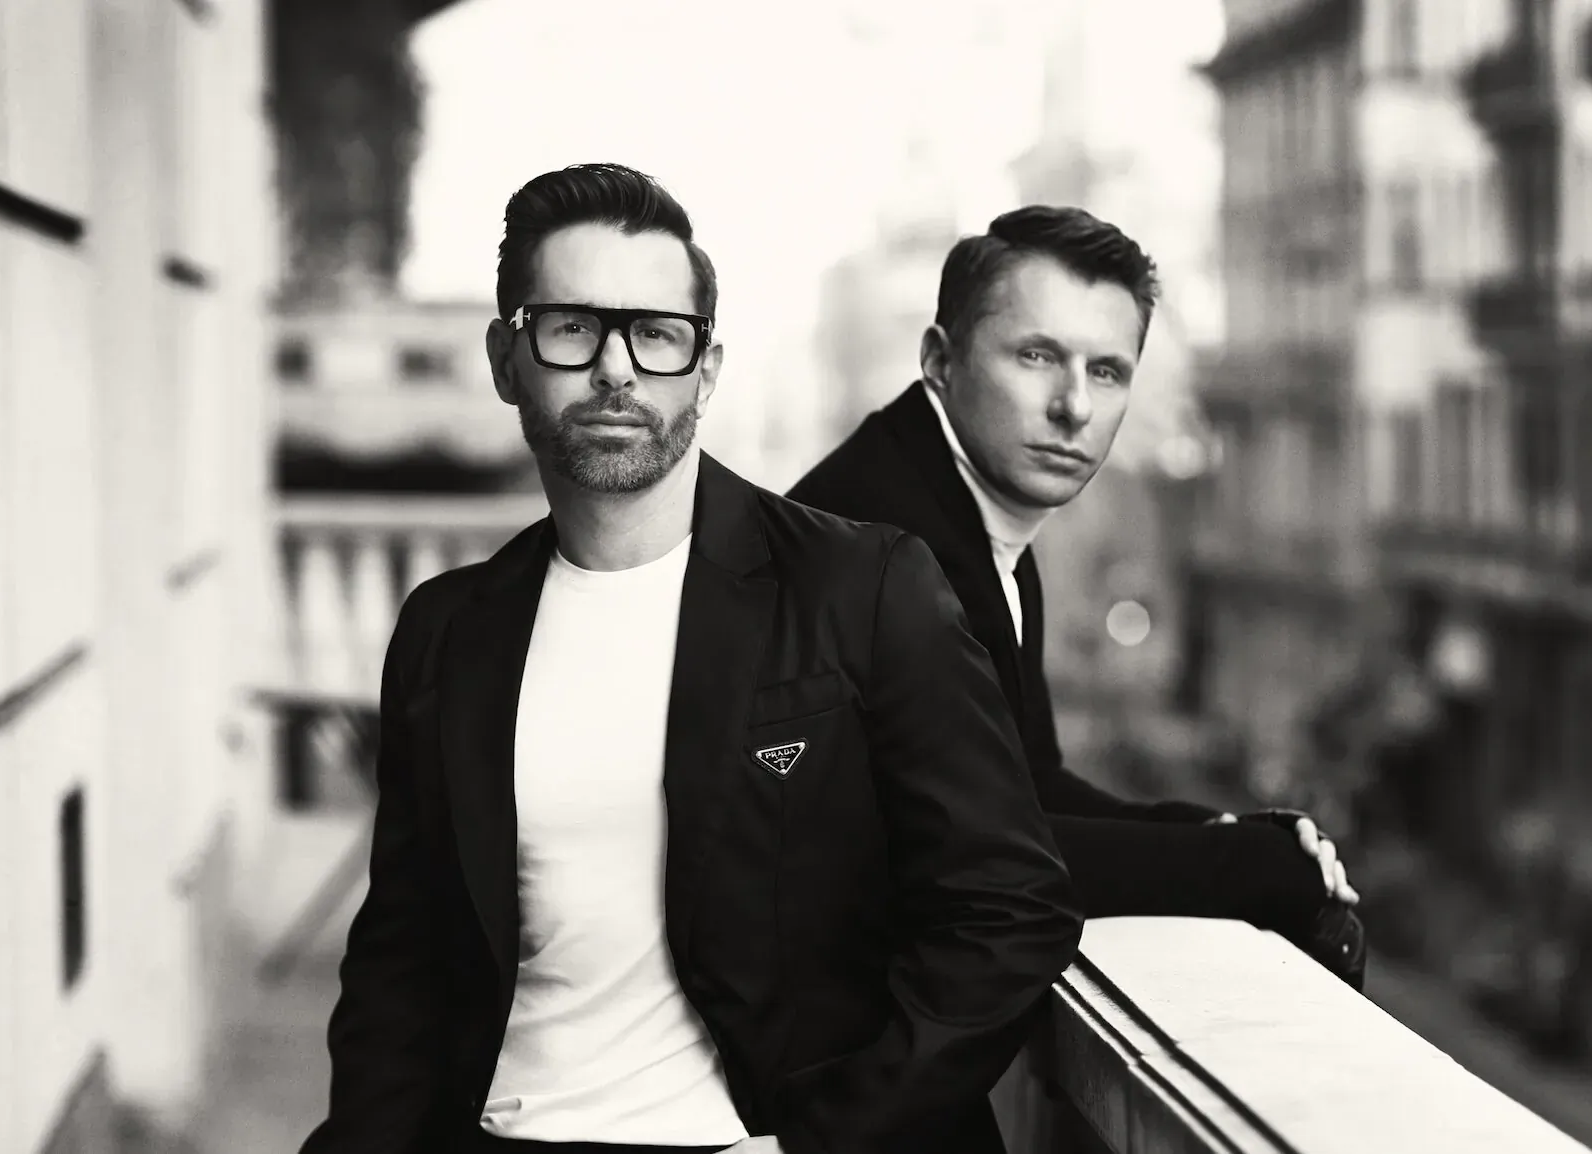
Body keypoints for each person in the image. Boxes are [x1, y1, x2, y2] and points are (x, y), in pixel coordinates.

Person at [298, 164, 1084, 1154]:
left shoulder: (862, 588)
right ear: (506, 358)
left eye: (657, 334)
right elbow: (401, 961)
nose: (615, 370)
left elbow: (1010, 908)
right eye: (572, 327)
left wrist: (821, 1143)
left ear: (705, 369)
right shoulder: (448, 631)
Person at [787, 205, 1366, 985]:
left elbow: (1024, 786)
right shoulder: (893, 543)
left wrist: (1224, 828)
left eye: (1107, 371)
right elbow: (970, 853)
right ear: (939, 361)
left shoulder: (973, 520)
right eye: (1036, 356)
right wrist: (1253, 867)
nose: (1074, 407)